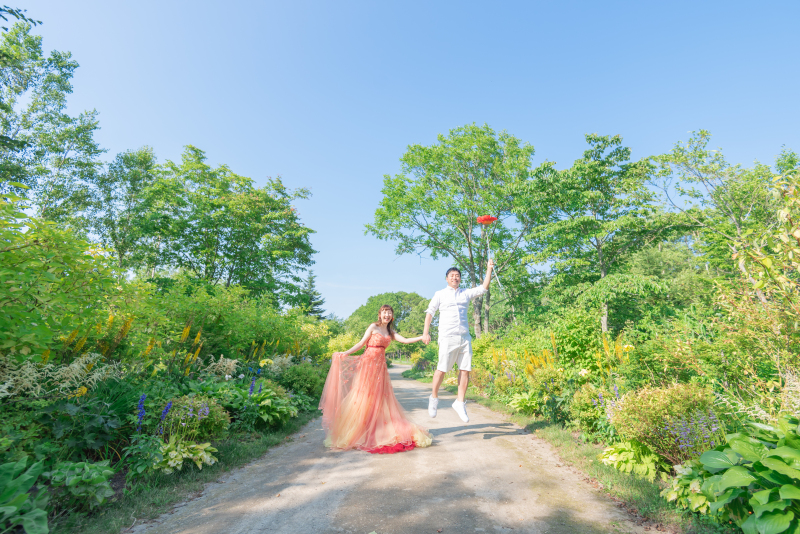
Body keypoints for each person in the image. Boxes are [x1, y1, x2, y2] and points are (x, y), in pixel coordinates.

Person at [319, 305, 432, 453]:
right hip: (367, 365)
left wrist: (421, 337)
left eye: (389, 312)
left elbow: (404, 340)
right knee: (363, 396)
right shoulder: (373, 327)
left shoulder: (390, 331)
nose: (387, 315)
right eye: (384, 312)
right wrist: (345, 353)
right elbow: (361, 343)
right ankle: (359, 429)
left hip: (380, 368)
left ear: (392, 316)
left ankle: (377, 427)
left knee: (380, 398)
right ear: (380, 315)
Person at [422, 259, 494, 423]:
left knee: (465, 369)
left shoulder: (465, 293)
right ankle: (433, 397)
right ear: (447, 278)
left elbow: (484, 288)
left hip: (464, 337)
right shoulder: (440, 294)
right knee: (442, 369)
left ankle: (460, 402)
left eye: (457, 275)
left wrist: (489, 269)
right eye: (452, 275)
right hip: (447, 336)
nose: (455, 277)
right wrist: (426, 332)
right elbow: (429, 313)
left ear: (460, 279)